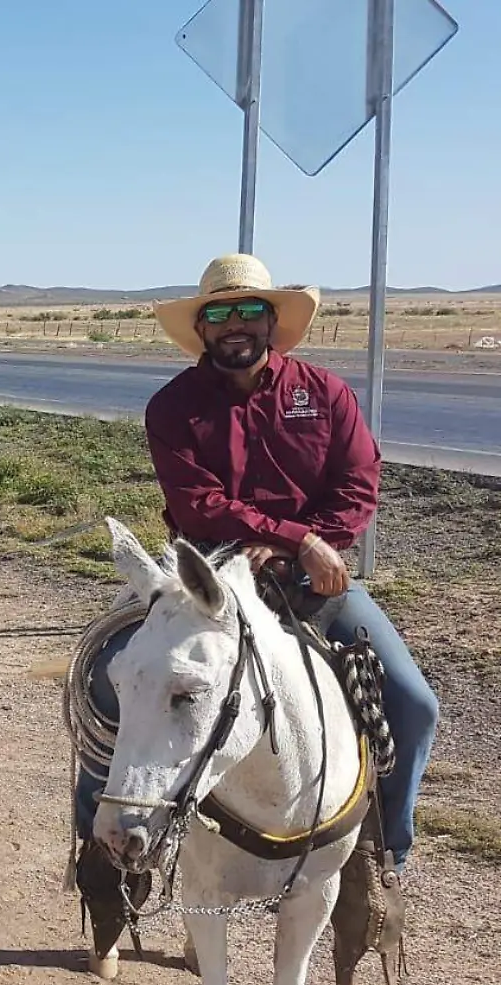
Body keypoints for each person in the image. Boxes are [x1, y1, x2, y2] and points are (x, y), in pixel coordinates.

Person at [75, 253, 438, 877]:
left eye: (249, 310)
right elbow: (200, 504)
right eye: (219, 313)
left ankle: (386, 851)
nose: (234, 323)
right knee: (110, 683)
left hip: (312, 576)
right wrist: (296, 536)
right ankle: (103, 858)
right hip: (206, 575)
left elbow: (358, 484)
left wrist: (309, 547)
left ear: (272, 322)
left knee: (412, 704)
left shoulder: (324, 394)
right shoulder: (173, 407)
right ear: (203, 327)